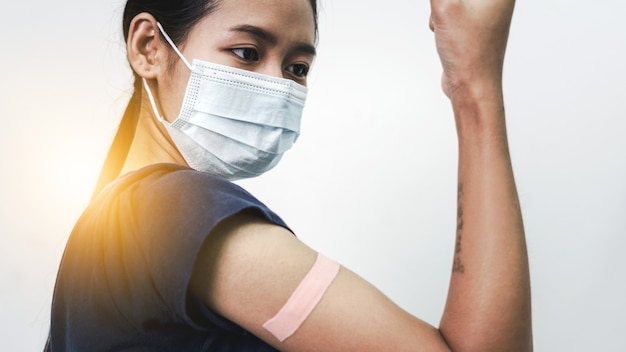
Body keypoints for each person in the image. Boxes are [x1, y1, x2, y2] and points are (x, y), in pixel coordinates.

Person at [47, 0, 533, 351]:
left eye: (298, 66)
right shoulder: (171, 209)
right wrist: (474, 84)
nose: (277, 85)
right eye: (247, 52)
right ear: (149, 46)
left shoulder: (105, 236)